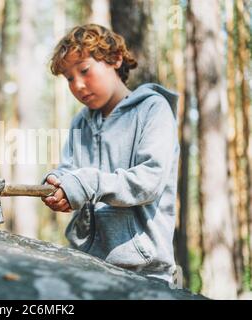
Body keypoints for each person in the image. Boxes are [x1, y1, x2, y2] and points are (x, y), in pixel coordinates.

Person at [41, 24, 180, 283]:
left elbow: (149, 181)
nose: (78, 85)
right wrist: (56, 183)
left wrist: (87, 183)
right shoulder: (80, 122)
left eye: (84, 70)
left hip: (144, 272)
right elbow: (69, 172)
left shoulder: (153, 109)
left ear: (115, 59)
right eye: (69, 78)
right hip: (85, 266)